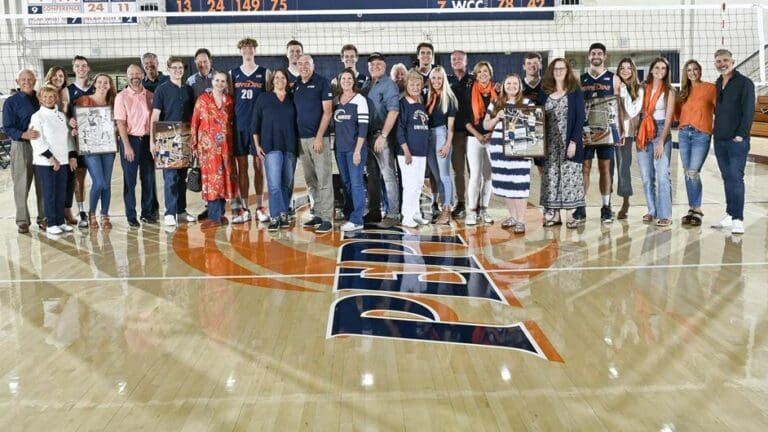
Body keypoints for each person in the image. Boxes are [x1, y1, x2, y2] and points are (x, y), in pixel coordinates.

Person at [710, 48, 755, 235]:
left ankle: (738, 219)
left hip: (737, 140)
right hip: (719, 139)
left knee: (736, 178)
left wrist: (741, 134)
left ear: (733, 61)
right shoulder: (718, 83)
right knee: (727, 178)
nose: (722, 64)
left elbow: (749, 111)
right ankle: (730, 214)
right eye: (719, 61)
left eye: (725, 60)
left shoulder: (745, 83)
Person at [483, 73, 533, 234]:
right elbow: (485, 125)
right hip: (499, 150)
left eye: (515, 83)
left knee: (520, 184)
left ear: (520, 86)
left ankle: (521, 220)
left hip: (519, 150)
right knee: (506, 185)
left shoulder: (527, 103)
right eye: (508, 83)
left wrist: (532, 149)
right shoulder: (496, 103)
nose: (512, 86)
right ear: (503, 85)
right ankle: (512, 216)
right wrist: (497, 117)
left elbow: (535, 127)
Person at [151, 56, 197, 227]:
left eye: (180, 68)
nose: (178, 71)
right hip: (166, 137)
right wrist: (152, 140)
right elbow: (155, 116)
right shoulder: (161, 90)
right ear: (168, 69)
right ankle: (170, 212)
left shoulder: (188, 90)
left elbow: (193, 115)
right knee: (170, 178)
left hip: (185, 135)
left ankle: (181, 211)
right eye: (174, 68)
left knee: (182, 177)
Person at [540, 58, 586, 229]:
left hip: (568, 143)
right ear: (551, 72)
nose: (558, 71)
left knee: (570, 178)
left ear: (567, 71)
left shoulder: (575, 92)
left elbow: (580, 118)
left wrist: (574, 141)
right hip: (550, 144)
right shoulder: (544, 92)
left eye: (562, 68)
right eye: (555, 69)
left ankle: (570, 216)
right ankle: (555, 215)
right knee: (552, 179)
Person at [580, 42, 622, 224]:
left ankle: (606, 206)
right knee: (585, 169)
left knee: (605, 169)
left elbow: (618, 106)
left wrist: (619, 131)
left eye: (599, 53)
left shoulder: (613, 79)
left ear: (605, 57)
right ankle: (580, 206)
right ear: (589, 56)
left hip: (606, 132)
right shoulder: (581, 79)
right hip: (586, 131)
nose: (596, 56)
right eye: (593, 53)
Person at [230, 37, 270, 224]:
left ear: (255, 50)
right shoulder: (233, 73)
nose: (248, 51)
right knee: (242, 168)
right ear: (240, 51)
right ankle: (244, 208)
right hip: (239, 126)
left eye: (251, 47)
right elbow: (230, 99)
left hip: (258, 128)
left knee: (258, 167)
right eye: (244, 48)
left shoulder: (264, 73)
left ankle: (261, 206)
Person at [191, 71, 238, 229]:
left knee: (224, 179)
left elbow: (231, 123)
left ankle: (221, 214)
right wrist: (194, 145)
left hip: (225, 148)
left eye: (223, 81)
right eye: (217, 80)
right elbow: (194, 123)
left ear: (226, 84)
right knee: (211, 181)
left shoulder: (229, 101)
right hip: (208, 149)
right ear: (212, 82)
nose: (219, 83)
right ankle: (213, 216)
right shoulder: (202, 100)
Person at [252, 70, 298, 231]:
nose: (279, 80)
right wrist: (257, 146)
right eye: (277, 77)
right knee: (274, 184)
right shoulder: (264, 98)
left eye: (283, 77)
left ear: (287, 80)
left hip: (290, 146)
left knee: (287, 183)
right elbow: (255, 125)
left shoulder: (292, 98)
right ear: (272, 81)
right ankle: (275, 216)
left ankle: (284, 213)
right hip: (271, 146)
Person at [294, 54, 334, 233]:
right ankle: (317, 212)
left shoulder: (322, 82)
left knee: (324, 178)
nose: (303, 66)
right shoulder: (295, 85)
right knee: (311, 180)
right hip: (301, 140)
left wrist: (319, 137)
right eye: (300, 63)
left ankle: (327, 217)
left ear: (313, 65)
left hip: (319, 139)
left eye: (306, 64)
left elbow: (328, 112)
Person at [114, 64, 158, 227]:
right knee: (130, 181)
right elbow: (120, 123)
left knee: (148, 179)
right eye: (131, 73)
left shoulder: (151, 96)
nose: (135, 76)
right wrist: (127, 146)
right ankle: (131, 215)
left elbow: (155, 121)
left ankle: (147, 212)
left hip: (147, 141)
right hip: (130, 140)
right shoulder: (122, 96)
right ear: (127, 76)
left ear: (142, 75)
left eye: (137, 73)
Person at [30, 85, 77, 235]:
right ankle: (51, 224)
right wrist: (51, 159)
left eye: (51, 97)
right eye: (45, 97)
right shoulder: (37, 117)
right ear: (40, 99)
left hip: (62, 160)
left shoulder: (61, 116)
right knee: (49, 193)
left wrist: (70, 156)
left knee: (61, 193)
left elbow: (67, 138)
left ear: (55, 98)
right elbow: (37, 140)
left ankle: (60, 222)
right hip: (46, 162)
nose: (48, 100)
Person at [635, 57, 676, 228]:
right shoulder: (643, 88)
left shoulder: (670, 91)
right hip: (644, 131)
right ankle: (652, 210)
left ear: (667, 72)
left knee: (662, 175)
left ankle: (665, 214)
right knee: (646, 176)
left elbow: (668, 120)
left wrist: (661, 141)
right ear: (651, 70)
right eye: (657, 67)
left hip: (661, 131)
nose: (660, 71)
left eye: (663, 68)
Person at [73, 73, 118, 229]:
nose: (103, 85)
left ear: (110, 85)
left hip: (108, 147)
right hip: (90, 148)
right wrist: (73, 125)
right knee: (98, 181)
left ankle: (104, 214)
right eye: (100, 82)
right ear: (94, 84)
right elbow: (75, 121)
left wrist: (116, 127)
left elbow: (120, 122)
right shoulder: (84, 100)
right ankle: (92, 213)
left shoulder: (114, 102)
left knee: (106, 183)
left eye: (106, 82)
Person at [3, 69, 45, 233]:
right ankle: (22, 220)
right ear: (17, 81)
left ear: (35, 81)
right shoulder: (11, 102)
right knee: (21, 184)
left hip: (42, 146)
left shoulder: (41, 98)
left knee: (43, 184)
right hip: (22, 146)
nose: (27, 82)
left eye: (30, 79)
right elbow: (7, 127)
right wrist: (23, 134)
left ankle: (44, 218)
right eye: (23, 79)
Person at [362, 52, 401, 226]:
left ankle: (393, 214)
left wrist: (383, 136)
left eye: (378, 64)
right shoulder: (366, 85)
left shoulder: (389, 85)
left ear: (384, 66)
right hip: (367, 136)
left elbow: (393, 111)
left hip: (381, 135)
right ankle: (374, 211)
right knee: (372, 176)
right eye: (371, 64)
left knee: (388, 175)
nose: (374, 66)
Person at [677, 59, 716, 227]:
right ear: (686, 73)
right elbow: (676, 115)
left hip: (701, 135)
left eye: (695, 69)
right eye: (689, 70)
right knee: (687, 172)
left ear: (700, 70)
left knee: (693, 171)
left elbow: (720, 110)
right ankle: (692, 209)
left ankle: (697, 208)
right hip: (684, 134)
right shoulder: (683, 92)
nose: (693, 72)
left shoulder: (710, 88)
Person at [461, 60, 496, 225]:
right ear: (476, 74)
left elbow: (501, 117)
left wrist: (490, 133)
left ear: (490, 74)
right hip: (474, 138)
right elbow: (465, 119)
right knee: (475, 176)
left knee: (488, 176)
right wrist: (478, 135)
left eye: (486, 71)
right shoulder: (469, 91)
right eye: (480, 71)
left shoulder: (497, 91)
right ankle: (472, 211)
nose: (483, 74)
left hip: (492, 137)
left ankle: (484, 209)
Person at [333, 68, 369, 232]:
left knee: (356, 184)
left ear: (353, 81)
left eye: (349, 78)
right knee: (346, 183)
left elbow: (363, 127)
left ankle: (357, 219)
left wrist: (357, 150)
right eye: (343, 79)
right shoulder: (336, 101)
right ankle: (349, 213)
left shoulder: (360, 100)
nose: (346, 81)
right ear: (339, 82)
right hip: (339, 149)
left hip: (355, 149)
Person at [397, 71, 430, 228]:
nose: (415, 87)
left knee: (417, 185)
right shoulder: (403, 103)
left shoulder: (420, 102)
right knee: (409, 185)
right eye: (412, 85)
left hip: (421, 151)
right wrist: (406, 150)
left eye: (418, 85)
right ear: (406, 85)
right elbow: (399, 129)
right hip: (407, 152)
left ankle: (416, 213)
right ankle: (407, 216)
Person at [425, 66, 458, 225]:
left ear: (444, 79)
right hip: (428, 136)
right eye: (434, 78)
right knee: (436, 175)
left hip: (441, 134)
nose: (436, 81)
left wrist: (447, 144)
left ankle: (447, 209)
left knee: (445, 175)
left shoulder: (449, 98)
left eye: (439, 78)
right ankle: (441, 205)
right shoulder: (428, 96)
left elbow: (450, 127)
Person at [67, 55, 94, 228]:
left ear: (88, 68)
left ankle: (96, 213)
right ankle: (82, 211)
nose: (81, 68)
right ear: (74, 68)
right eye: (78, 66)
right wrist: (70, 122)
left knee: (99, 180)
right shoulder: (68, 91)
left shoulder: (95, 88)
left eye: (84, 65)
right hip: (78, 141)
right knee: (80, 178)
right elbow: (63, 114)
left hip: (96, 141)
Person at [615, 57, 643, 220]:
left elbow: (632, 112)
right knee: (608, 169)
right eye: (622, 68)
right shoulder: (614, 86)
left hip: (626, 133)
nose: (625, 71)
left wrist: (623, 90)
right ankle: (607, 203)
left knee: (623, 167)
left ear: (633, 70)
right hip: (608, 133)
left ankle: (625, 202)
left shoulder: (638, 89)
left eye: (628, 68)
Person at [448, 50, 471, 219]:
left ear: (466, 61)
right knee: (458, 171)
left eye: (460, 59)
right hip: (455, 133)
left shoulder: (474, 80)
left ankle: (477, 205)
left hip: (473, 133)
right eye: (454, 59)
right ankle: (461, 202)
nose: (457, 61)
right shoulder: (446, 81)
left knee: (476, 171)